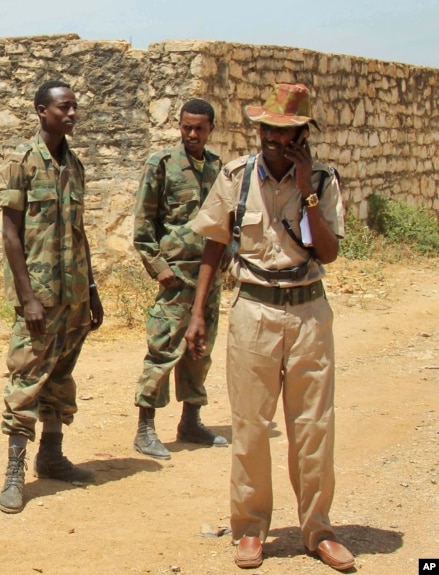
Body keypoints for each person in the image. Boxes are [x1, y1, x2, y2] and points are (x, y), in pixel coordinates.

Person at [184, 83, 355, 571]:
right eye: (271, 134)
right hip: (253, 312)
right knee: (251, 426)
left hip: (308, 313)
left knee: (313, 426)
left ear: (304, 137)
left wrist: (306, 192)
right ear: (258, 131)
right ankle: (251, 528)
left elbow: (328, 252)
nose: (278, 145)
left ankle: (318, 529)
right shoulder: (236, 177)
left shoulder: (321, 181)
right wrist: (199, 313)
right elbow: (214, 246)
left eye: (290, 137)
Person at [0, 80, 105, 514]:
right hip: (39, 297)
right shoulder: (21, 163)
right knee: (26, 380)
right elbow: (10, 233)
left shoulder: (74, 165)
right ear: (42, 111)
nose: (72, 114)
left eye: (75, 106)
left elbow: (80, 234)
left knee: (60, 377)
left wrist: (91, 290)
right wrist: (28, 298)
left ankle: (52, 455)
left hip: (73, 295)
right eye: (64, 107)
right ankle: (14, 474)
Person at [131, 98, 227, 460]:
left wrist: (228, 259)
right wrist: (160, 268)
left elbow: (226, 221)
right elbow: (143, 225)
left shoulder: (219, 168)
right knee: (163, 349)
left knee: (200, 351)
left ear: (210, 129)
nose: (191, 134)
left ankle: (191, 420)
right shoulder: (162, 165)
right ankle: (145, 429)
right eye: (186, 127)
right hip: (176, 276)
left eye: (199, 128)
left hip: (210, 276)